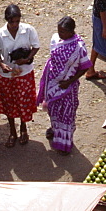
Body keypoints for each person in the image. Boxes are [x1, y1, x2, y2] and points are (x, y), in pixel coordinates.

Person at [37, 17, 91, 155]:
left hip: (68, 87)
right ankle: (55, 130)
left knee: (66, 114)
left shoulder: (79, 47)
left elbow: (84, 67)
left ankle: (65, 143)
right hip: (53, 83)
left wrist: (69, 81)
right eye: (59, 31)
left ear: (71, 31)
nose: (60, 34)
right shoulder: (56, 39)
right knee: (53, 110)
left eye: (63, 32)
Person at [0, 5, 40, 148]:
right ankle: (12, 131)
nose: (15, 25)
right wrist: (2, 65)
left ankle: (23, 128)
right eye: (12, 22)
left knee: (23, 102)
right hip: (7, 76)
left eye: (17, 21)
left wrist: (26, 59)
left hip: (24, 73)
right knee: (9, 103)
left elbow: (35, 46)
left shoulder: (28, 30)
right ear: (7, 20)